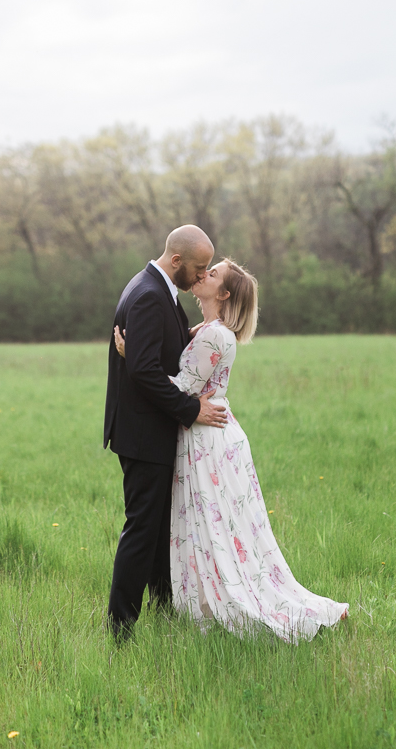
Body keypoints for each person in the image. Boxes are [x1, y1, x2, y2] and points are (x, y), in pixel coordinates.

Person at [114, 258, 348, 643]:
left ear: (223, 294)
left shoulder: (213, 335)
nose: (203, 274)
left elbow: (184, 388)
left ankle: (224, 598)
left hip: (205, 437)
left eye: (213, 273)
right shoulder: (206, 330)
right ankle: (184, 597)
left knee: (213, 523)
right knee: (208, 523)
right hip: (207, 431)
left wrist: (131, 357)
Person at [103, 225, 229, 641]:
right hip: (144, 434)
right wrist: (192, 409)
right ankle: (120, 628)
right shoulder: (148, 296)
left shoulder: (156, 291)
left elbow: (156, 358)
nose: (201, 276)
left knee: (158, 530)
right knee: (142, 530)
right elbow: (143, 370)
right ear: (177, 261)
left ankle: (165, 609)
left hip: (148, 430)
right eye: (199, 267)